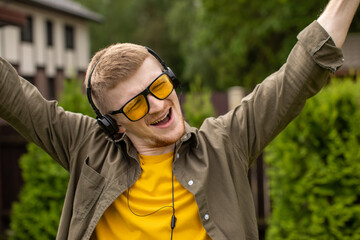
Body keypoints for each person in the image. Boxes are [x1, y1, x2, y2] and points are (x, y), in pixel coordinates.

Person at [0, 0, 359, 239]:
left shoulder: (225, 143)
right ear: (113, 125)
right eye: (136, 105)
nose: (157, 105)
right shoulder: (86, 146)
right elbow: (10, 93)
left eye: (159, 85)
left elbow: (300, 73)